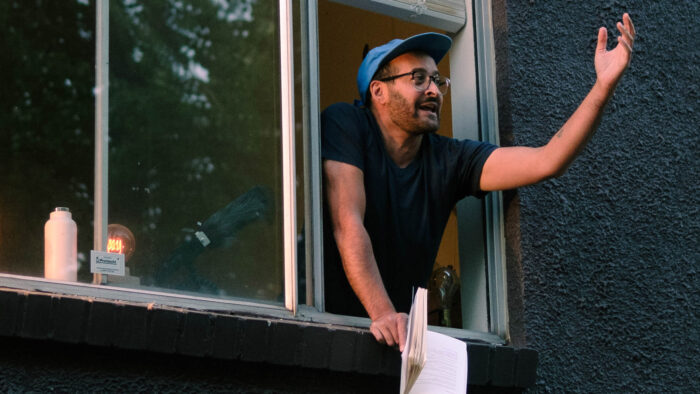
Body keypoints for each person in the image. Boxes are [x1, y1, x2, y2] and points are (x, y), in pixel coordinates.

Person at [322, 14, 636, 351]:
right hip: (329, 325)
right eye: (418, 78)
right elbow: (347, 222)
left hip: (396, 339)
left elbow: (548, 161)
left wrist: (603, 87)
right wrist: (385, 314)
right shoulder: (346, 124)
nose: (433, 90)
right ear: (378, 91)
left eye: (437, 80)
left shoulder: (449, 158)